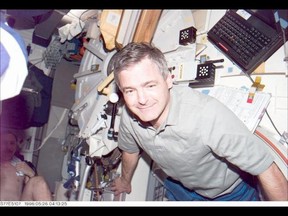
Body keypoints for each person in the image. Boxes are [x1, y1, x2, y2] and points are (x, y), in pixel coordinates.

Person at [109, 42, 287, 201]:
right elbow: (130, 151)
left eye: (150, 86)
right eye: (130, 90)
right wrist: (125, 181)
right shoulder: (129, 115)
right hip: (180, 185)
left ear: (169, 80)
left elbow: (266, 168)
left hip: (229, 194)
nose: (141, 100)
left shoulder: (206, 116)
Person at [0, 130, 52, 201]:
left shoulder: (20, 165)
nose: (8, 147)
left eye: (12, 143)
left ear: (16, 146)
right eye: (4, 143)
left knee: (39, 181)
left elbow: (37, 188)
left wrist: (31, 173)